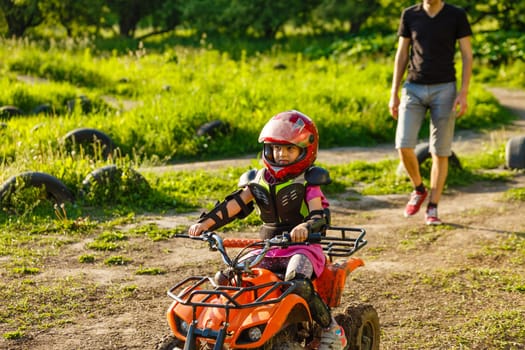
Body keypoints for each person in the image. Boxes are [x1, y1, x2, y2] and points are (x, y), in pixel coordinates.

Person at [188, 110, 346, 350]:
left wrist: (306, 226)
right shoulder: (258, 180)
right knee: (228, 278)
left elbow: (319, 215)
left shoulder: (309, 181)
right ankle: (230, 329)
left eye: (289, 149)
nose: (280, 154)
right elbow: (233, 205)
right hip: (268, 248)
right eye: (275, 148)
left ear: (305, 150)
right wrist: (205, 224)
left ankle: (331, 329)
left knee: (297, 282)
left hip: (301, 248)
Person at [388, 0, 473, 225]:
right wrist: (394, 92)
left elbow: (467, 54)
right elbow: (402, 54)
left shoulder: (456, 15)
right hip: (412, 87)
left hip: (445, 88)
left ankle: (433, 207)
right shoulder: (409, 15)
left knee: (440, 151)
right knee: (403, 145)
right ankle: (419, 188)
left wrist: (463, 92)